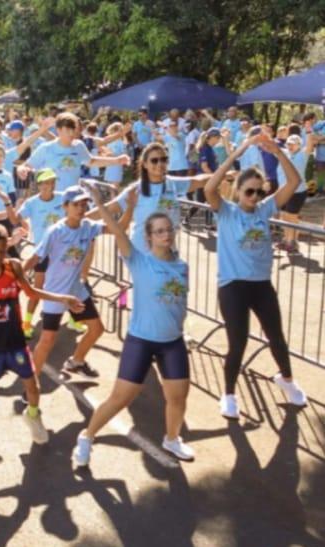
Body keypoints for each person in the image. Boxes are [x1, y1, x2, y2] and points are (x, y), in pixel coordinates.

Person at [74, 194, 194, 468]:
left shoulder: (182, 267)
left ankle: (172, 439)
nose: (166, 234)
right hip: (141, 341)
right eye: (159, 231)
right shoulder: (139, 260)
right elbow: (116, 229)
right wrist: (99, 200)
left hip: (172, 342)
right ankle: (87, 436)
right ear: (149, 237)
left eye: (169, 230)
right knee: (120, 398)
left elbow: (180, 302)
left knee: (178, 397)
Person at [203, 135, 308, 419]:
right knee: (238, 341)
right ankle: (228, 394)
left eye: (259, 192)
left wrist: (277, 152)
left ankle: (286, 380)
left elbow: (295, 182)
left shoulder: (265, 209)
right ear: (238, 191)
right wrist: (237, 151)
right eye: (249, 192)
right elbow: (210, 187)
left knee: (276, 337)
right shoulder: (226, 211)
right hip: (233, 286)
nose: (254, 197)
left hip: (261, 285)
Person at [0, 224, 82, 469]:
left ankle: (32, 416)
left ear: (8, 246)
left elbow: (31, 292)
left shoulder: (14, 267)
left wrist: (63, 298)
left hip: (15, 342)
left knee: (32, 385)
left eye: (2, 250)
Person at [24, 185, 108, 378]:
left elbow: (118, 228)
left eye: (84, 204)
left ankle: (76, 362)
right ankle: (30, 385)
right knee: (47, 340)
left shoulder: (89, 227)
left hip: (76, 290)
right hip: (56, 293)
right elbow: (36, 257)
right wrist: (16, 274)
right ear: (65, 206)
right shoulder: (55, 231)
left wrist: (122, 206)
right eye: (76, 204)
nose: (81, 208)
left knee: (96, 329)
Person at [24, 113, 130, 192]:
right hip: (52, 198)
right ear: (58, 130)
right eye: (67, 130)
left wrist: (117, 160)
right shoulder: (46, 148)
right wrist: (22, 169)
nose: (71, 133)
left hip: (73, 198)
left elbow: (91, 161)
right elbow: (28, 165)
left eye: (73, 130)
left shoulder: (79, 145)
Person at [17, 169, 65, 338]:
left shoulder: (63, 198)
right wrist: (23, 225)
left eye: (51, 182)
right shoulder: (31, 203)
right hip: (42, 253)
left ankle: (75, 318)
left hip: (61, 252)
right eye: (44, 182)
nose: (48, 186)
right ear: (38, 185)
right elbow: (17, 217)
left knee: (68, 285)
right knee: (37, 289)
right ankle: (27, 323)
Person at [276, 134, 316, 253]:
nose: (290, 146)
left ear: (299, 145)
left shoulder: (303, 154)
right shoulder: (283, 153)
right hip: (284, 190)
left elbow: (309, 144)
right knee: (284, 216)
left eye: (293, 144)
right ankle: (286, 239)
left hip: (297, 192)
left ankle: (293, 242)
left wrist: (309, 132)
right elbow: (272, 147)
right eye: (288, 143)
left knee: (291, 217)